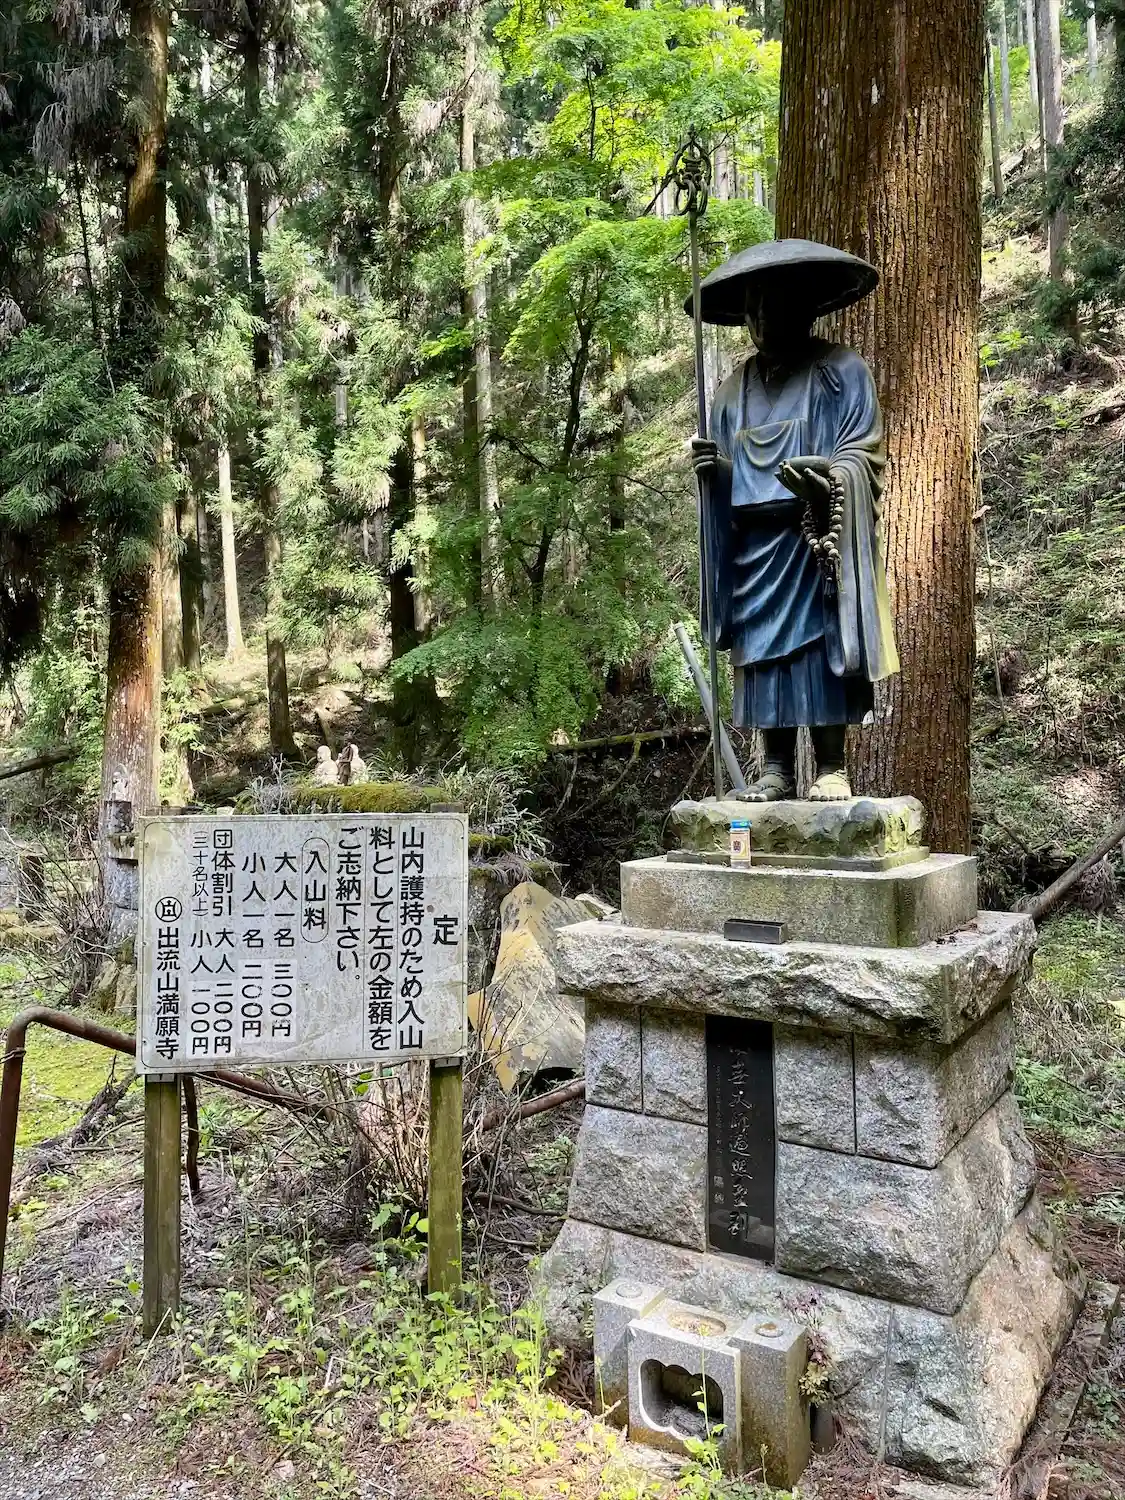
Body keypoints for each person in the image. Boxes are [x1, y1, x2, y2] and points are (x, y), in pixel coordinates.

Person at [688, 239, 899, 802]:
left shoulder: (841, 373)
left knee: (820, 648)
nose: (760, 318)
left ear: (804, 306)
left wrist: (828, 480)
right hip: (755, 551)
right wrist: (716, 472)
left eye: (773, 304)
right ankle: (776, 765)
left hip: (814, 542)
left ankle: (831, 763)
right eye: (752, 307)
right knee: (762, 654)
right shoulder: (731, 392)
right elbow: (727, 473)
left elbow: (863, 454)